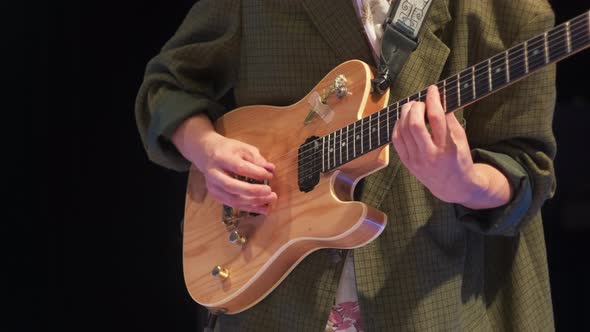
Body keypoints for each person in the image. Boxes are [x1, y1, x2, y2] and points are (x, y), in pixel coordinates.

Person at [135, 0, 557, 330]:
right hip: (279, 304)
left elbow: (527, 174)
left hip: (435, 301)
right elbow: (168, 85)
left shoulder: (510, 12)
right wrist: (206, 147)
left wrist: (465, 183)